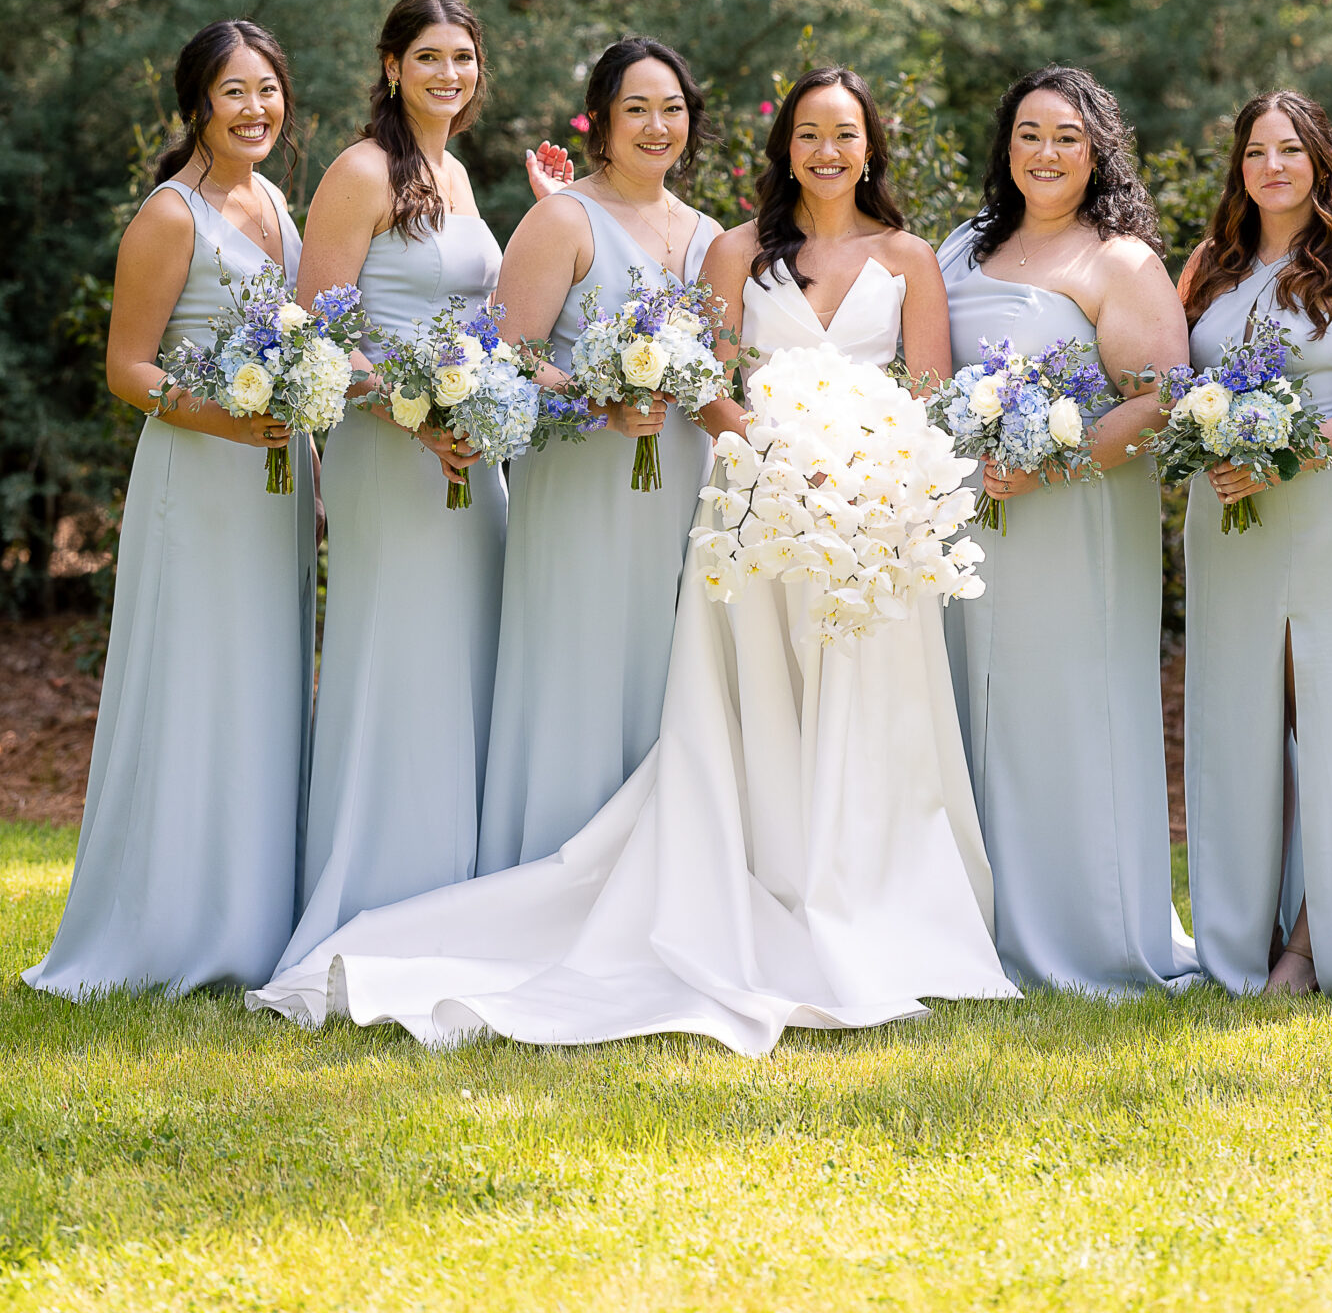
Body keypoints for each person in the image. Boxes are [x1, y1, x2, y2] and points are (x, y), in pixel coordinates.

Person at [251, 65, 1013, 1050]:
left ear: (871, 147)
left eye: (846, 134)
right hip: (762, 506)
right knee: (747, 706)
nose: (828, 151)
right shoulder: (736, 249)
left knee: (873, 711)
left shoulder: (895, 254)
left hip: (869, 515)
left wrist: (870, 467)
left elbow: (927, 391)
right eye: (808, 133)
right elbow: (711, 380)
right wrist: (783, 452)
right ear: (783, 147)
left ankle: (884, 906)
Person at [26, 21, 316, 995]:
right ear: (197, 103)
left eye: (267, 89)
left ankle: (253, 916)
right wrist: (227, 420)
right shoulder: (170, 213)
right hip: (199, 477)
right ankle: (168, 929)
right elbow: (127, 368)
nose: (255, 108)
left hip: (276, 483)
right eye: (234, 91)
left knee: (262, 680)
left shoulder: (273, 200)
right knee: (196, 681)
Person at [939, 66, 1198, 992]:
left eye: (1066, 137)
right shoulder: (963, 245)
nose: (1045, 153)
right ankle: (972, 922)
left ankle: (1084, 930)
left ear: (1097, 154)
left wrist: (1053, 459)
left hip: (1074, 512)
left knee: (1062, 704)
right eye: (1029, 134)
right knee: (974, 705)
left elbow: (1160, 396)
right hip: (968, 514)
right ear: (1005, 146)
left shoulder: (1118, 261)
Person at [1178, 93, 1332, 997]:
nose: (1271, 167)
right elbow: (1171, 380)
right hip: (1222, 518)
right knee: (1238, 721)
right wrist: (1199, 439)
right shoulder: (1208, 263)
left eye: (1289, 150)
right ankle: (1241, 935)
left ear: (1321, 161)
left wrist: (1287, 457)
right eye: (1255, 152)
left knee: (1327, 715)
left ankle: (1316, 942)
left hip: (1320, 508)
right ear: (1238, 167)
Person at [275, 0, 506, 969]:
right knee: (395, 652)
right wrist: (413, 415)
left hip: (468, 454)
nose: (449, 73)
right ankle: (368, 893)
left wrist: (480, 406)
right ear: (392, 66)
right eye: (429, 57)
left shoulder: (456, 173)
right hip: (386, 450)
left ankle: (454, 892)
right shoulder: (361, 171)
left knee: (462, 653)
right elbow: (316, 334)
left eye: (463, 57)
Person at [477, 37, 722, 872]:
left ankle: (651, 872)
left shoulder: (710, 236)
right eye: (636, 109)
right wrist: (596, 398)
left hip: (677, 482)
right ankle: (554, 867)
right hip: (580, 482)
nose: (657, 126)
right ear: (601, 122)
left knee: (662, 662)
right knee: (578, 658)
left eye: (672, 109)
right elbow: (508, 352)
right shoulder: (562, 219)